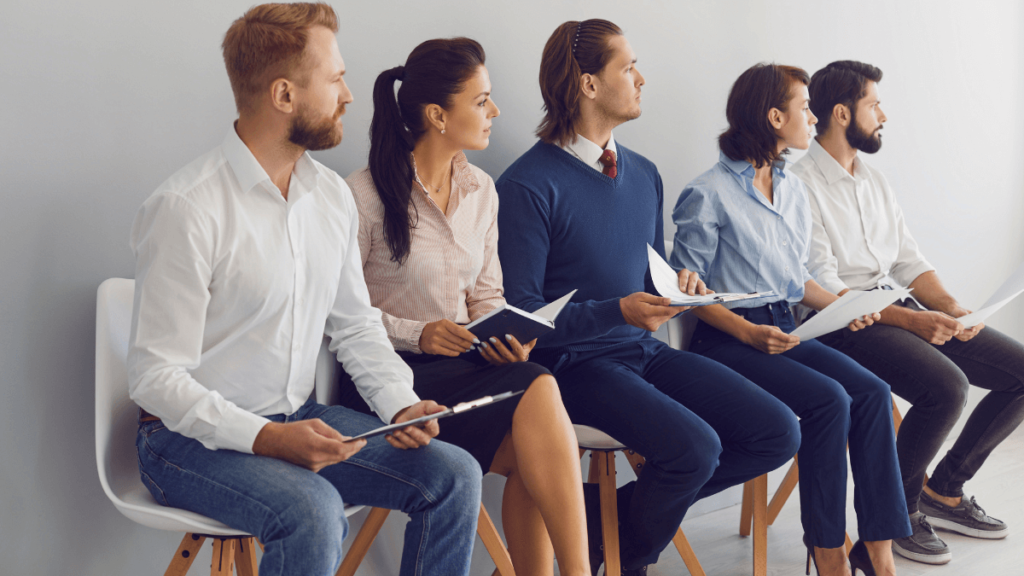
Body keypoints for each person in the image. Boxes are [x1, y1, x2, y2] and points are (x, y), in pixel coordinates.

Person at [127, 5, 480, 575]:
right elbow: (155, 379)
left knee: (453, 474)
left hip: (294, 416)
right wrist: (267, 438)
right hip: (182, 441)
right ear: (285, 95)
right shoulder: (186, 208)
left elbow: (354, 324)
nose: (348, 94)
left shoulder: (329, 197)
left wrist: (401, 402)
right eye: (335, 79)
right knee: (314, 510)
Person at [496, 20, 801, 575]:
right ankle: (625, 560)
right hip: (572, 367)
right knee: (695, 448)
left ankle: (597, 531)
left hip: (642, 351)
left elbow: (649, 278)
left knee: (777, 430)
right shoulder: (526, 186)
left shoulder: (644, 174)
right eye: (628, 67)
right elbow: (523, 322)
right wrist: (617, 311)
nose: (641, 78)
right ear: (588, 84)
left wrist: (680, 287)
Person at [339, 37, 590, 576]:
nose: (495, 112)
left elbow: (487, 296)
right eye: (481, 101)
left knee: (533, 389)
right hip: (391, 381)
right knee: (539, 390)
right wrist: (418, 333)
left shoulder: (483, 190)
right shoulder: (360, 197)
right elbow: (339, 314)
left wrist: (506, 336)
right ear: (437, 114)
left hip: (465, 368)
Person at [672, 62, 911, 576]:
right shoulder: (708, 192)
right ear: (775, 117)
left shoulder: (793, 189)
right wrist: (747, 331)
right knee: (829, 401)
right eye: (804, 108)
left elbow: (798, 281)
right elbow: (684, 293)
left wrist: (846, 308)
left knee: (871, 393)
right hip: (728, 338)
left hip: (784, 328)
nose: (812, 116)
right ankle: (827, 555)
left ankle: (879, 554)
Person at [792, 60, 1024, 565]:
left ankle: (946, 490)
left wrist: (953, 308)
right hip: (843, 324)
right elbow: (827, 287)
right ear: (841, 112)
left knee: (1020, 370)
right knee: (946, 387)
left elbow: (908, 260)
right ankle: (897, 515)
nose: (883, 116)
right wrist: (916, 320)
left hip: (896, 306)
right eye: (874, 104)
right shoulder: (799, 185)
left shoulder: (874, 181)